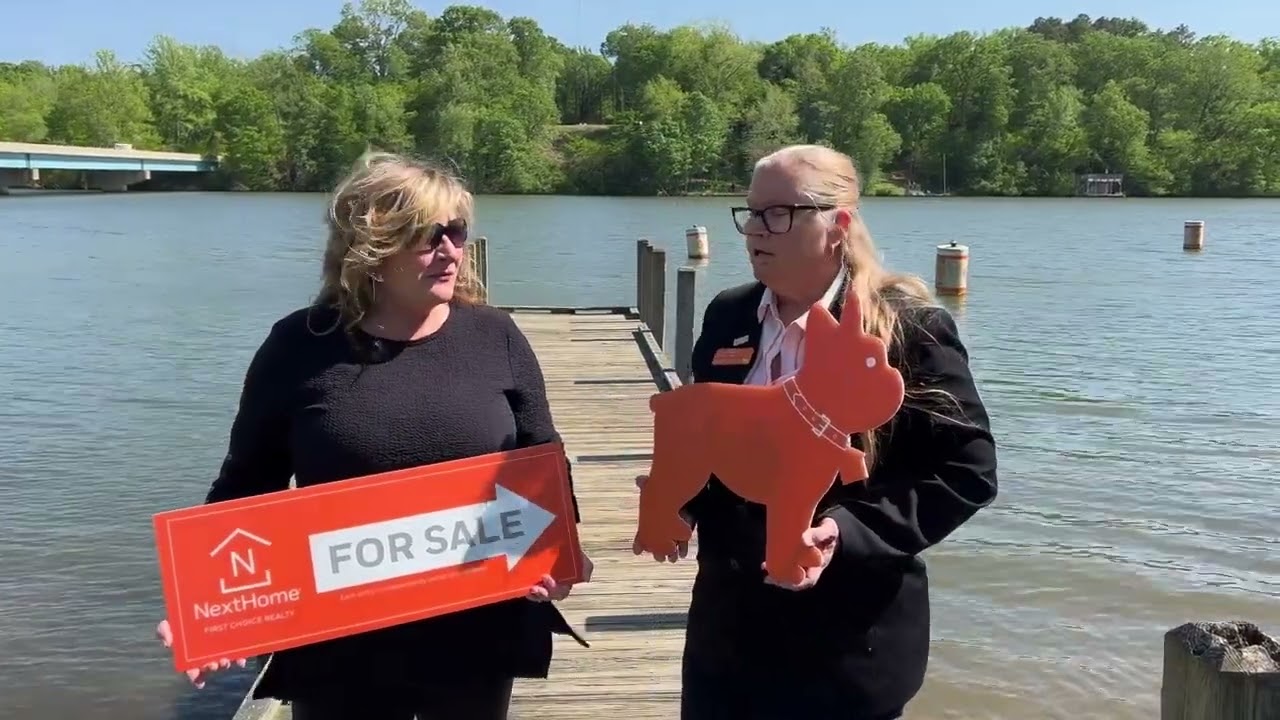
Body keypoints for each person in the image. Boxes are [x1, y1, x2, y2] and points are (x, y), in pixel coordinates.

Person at [154, 151, 592, 720]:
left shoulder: (496, 335)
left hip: (477, 632)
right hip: (341, 642)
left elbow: (543, 459)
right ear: (372, 248)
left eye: (457, 231)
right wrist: (203, 607)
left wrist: (561, 553)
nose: (450, 250)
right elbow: (246, 485)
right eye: (428, 236)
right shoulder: (299, 346)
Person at [637, 144, 998, 720]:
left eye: (778, 213)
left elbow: (966, 473)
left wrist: (843, 532)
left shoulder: (909, 329)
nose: (755, 229)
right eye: (751, 212)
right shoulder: (729, 315)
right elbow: (719, 439)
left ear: (839, 225)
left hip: (848, 649)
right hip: (727, 643)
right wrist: (679, 501)